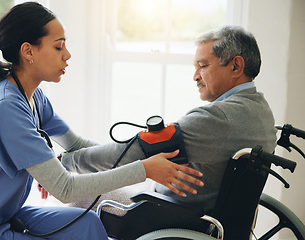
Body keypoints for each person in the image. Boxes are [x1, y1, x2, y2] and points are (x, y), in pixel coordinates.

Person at [0, 2, 203, 239]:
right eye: (59, 47)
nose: (67, 55)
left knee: (89, 224)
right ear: (28, 51)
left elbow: (77, 145)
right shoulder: (5, 106)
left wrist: (141, 151)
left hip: (1, 215)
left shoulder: (32, 97)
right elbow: (65, 189)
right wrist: (144, 169)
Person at [59, 25, 278, 212]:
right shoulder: (261, 112)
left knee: (84, 198)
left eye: (203, 66)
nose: (195, 76)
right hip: (197, 209)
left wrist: (65, 164)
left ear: (236, 66)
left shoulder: (219, 117)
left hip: (172, 213)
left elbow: (129, 153)